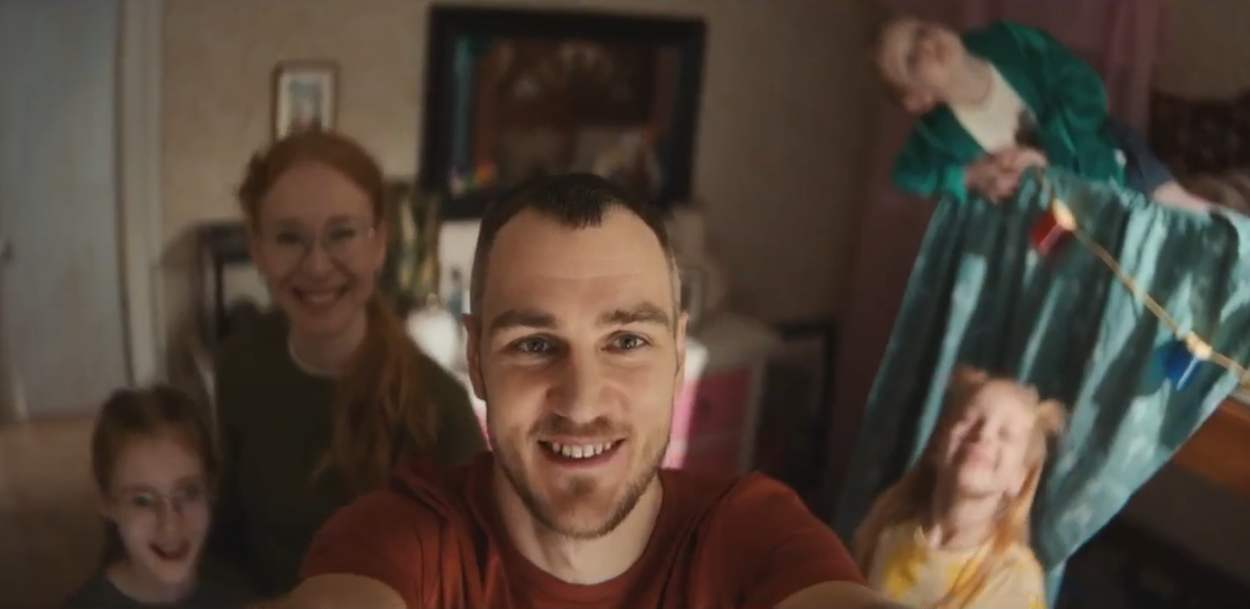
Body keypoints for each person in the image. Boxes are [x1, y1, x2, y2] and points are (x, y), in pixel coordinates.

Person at [258, 173, 907, 609]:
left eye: (627, 340)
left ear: (678, 353)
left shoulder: (753, 536)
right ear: (475, 358)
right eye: (534, 344)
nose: (582, 401)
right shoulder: (403, 537)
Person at [209, 131, 487, 595]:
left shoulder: (441, 409)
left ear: (379, 243)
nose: (317, 266)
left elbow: (478, 585)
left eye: (342, 234)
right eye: (289, 238)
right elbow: (228, 542)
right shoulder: (239, 367)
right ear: (257, 249)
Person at [875, 15, 1211, 211]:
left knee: (1188, 211)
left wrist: (1046, 152)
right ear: (918, 99)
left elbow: (1082, 86)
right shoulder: (936, 134)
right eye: (912, 58)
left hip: (1108, 157)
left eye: (921, 32)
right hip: (1064, 216)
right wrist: (972, 176)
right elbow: (906, 176)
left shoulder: (1006, 42)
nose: (927, 45)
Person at [851, 367, 1065, 609]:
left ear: (1019, 479)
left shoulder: (1016, 579)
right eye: (969, 418)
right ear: (938, 443)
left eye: (1005, 434)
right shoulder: (886, 533)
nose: (983, 434)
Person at [63, 386, 251, 608]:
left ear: (210, 489)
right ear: (106, 502)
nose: (170, 526)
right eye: (143, 501)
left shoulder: (240, 596)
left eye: (188, 494)